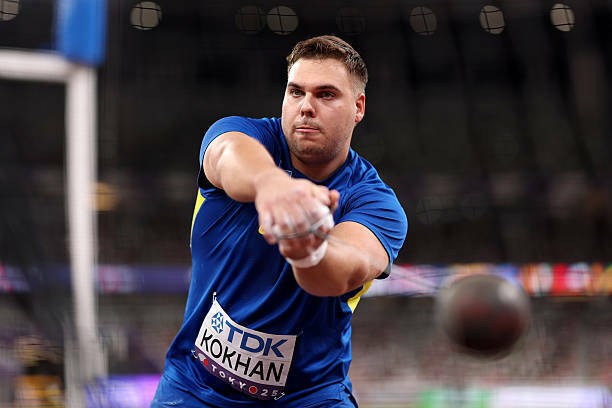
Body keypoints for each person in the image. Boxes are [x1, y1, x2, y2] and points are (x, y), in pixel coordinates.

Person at [151, 35, 408, 407]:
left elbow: (342, 271)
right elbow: (228, 155)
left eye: (326, 95)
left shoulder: (375, 202)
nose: (306, 107)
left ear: (358, 107)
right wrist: (271, 184)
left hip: (309, 397)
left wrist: (307, 249)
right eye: (296, 92)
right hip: (193, 387)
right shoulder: (243, 135)